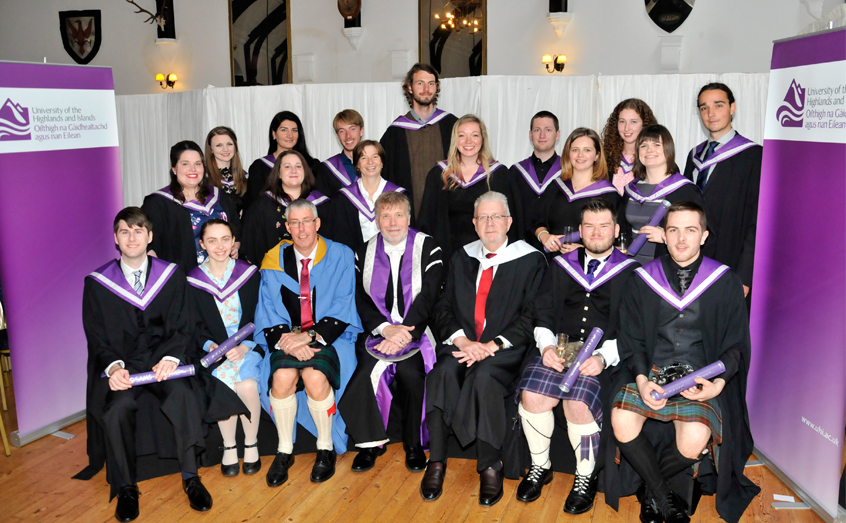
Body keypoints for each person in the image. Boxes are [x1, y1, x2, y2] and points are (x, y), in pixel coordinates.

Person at [606, 201, 759, 523]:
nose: (681, 239)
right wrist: (642, 379)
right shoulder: (642, 279)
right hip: (652, 370)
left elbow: (735, 345)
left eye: (690, 230)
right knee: (621, 421)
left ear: (703, 235)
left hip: (698, 376)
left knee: (693, 442)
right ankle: (663, 496)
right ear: (663, 234)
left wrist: (717, 383)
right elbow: (630, 338)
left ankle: (651, 491)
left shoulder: (724, 281)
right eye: (673, 230)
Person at [80, 207, 212, 522]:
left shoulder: (172, 275)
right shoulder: (98, 283)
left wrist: (170, 359)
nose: (132, 237)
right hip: (126, 368)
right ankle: (127, 487)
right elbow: (96, 336)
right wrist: (114, 367)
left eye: (138, 230)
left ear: (149, 236)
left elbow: (184, 324)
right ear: (115, 238)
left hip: (163, 364)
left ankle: (191, 477)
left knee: (182, 395)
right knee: (117, 408)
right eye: (124, 231)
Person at [421, 191, 546, 506]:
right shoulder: (461, 257)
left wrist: (491, 345)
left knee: (485, 378)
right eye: (484, 218)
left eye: (497, 217)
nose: (490, 224)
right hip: (464, 344)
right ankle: (436, 461)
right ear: (475, 223)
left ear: (509, 222)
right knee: (441, 374)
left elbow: (532, 315)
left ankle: (491, 464)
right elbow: (443, 307)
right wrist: (462, 340)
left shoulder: (531, 260)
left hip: (506, 348)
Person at [516, 198, 639, 513]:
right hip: (558, 348)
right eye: (589, 226)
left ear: (615, 230)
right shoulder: (560, 265)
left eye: (603, 226)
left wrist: (603, 358)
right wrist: (545, 347)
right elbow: (540, 313)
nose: (596, 232)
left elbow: (634, 330)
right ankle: (540, 466)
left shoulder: (632, 273)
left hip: (603, 357)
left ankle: (585, 476)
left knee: (577, 403)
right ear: (580, 231)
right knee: (531, 395)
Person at [254, 199, 363, 487]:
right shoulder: (273, 259)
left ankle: (325, 447)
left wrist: (311, 336)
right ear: (288, 227)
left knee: (315, 376)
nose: (301, 228)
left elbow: (344, 303)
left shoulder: (339, 255)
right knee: (281, 377)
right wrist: (290, 342)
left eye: (307, 221)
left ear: (317, 224)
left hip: (331, 336)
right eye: (295, 223)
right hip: (288, 337)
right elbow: (267, 308)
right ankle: (284, 450)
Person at [339, 191, 444, 472]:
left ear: (409, 218)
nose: (393, 222)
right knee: (364, 374)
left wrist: (405, 333)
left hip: (417, 331)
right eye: (385, 216)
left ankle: (413, 444)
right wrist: (385, 329)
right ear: (377, 220)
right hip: (378, 331)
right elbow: (360, 297)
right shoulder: (364, 251)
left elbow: (430, 296)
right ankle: (369, 443)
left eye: (399, 215)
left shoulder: (428, 247)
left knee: (411, 375)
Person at [187, 219, 263, 477]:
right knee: (223, 386)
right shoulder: (193, 281)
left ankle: (251, 442)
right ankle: (229, 445)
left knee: (247, 385)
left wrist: (245, 346)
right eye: (212, 240)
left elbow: (260, 315)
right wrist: (213, 347)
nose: (219, 246)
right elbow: (192, 325)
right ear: (202, 244)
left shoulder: (249, 274)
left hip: (248, 347)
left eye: (224, 239)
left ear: (233, 241)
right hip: (213, 353)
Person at [683, 83, 761, 300]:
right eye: (704, 107)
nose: (711, 113)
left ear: (732, 108)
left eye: (718, 105)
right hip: (693, 260)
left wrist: (745, 276)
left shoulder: (754, 156)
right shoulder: (694, 156)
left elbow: (756, 221)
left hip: (731, 260)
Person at [418, 114, 517, 261]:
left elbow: (512, 221)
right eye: (462, 135)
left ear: (482, 139)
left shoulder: (499, 175)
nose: (468, 141)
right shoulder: (439, 175)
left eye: (475, 135)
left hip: (489, 255)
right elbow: (427, 221)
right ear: (455, 140)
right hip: (448, 255)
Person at [142, 140, 241, 274]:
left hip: (224, 276)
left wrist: (234, 248)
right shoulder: (158, 203)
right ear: (174, 169)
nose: (193, 169)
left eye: (198, 164)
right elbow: (148, 246)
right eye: (185, 164)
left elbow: (237, 232)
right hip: (182, 282)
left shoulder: (219, 196)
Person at [380, 63, 458, 219]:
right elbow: (386, 177)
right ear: (410, 88)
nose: (426, 89)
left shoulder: (452, 126)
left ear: (436, 87)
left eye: (431, 84)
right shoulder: (394, 133)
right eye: (420, 83)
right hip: (409, 214)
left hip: (447, 212)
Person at [618, 125, 704, 265]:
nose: (649, 150)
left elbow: (701, 235)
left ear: (668, 150)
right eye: (644, 145)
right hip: (631, 268)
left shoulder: (685, 190)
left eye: (656, 144)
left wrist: (667, 236)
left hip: (667, 269)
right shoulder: (631, 190)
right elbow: (622, 231)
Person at [532, 128, 619, 256]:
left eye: (587, 150)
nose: (580, 155)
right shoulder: (556, 187)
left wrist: (585, 249)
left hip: (589, 265)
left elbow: (616, 237)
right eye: (575, 150)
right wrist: (544, 236)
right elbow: (536, 220)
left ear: (597, 155)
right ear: (568, 154)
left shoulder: (609, 194)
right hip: (553, 263)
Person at [240, 150, 330, 266]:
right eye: (287, 166)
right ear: (278, 173)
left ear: (305, 171)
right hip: (275, 273)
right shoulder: (262, 205)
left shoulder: (322, 204)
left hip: (316, 272)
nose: (294, 170)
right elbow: (252, 245)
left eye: (298, 166)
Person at [331, 140, 409, 253]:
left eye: (375, 157)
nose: (370, 162)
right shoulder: (343, 199)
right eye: (364, 158)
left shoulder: (400, 196)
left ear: (382, 162)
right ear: (357, 164)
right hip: (356, 264)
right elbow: (341, 239)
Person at [246, 111, 319, 211]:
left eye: (294, 130)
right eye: (284, 130)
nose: (290, 135)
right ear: (274, 134)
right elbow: (253, 206)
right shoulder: (259, 167)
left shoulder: (312, 165)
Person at [509, 111, 562, 235]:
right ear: (530, 135)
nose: (542, 135)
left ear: (557, 135)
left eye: (548, 130)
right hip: (521, 245)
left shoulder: (569, 171)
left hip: (559, 245)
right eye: (537, 130)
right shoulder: (515, 172)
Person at [601, 99, 658, 194]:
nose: (627, 128)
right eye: (622, 122)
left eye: (633, 122)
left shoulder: (655, 159)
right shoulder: (605, 159)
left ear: (645, 124)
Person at [315, 109, 365, 196]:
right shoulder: (326, 169)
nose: (348, 136)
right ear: (337, 135)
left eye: (352, 129)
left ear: (361, 131)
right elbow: (323, 206)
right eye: (342, 131)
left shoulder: (375, 165)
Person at [205, 126, 248, 214]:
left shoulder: (245, 177)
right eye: (219, 145)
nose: (225, 149)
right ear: (211, 149)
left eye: (229, 144)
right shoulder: (202, 178)